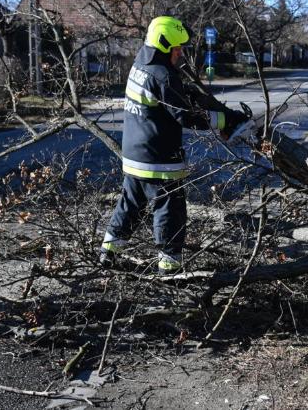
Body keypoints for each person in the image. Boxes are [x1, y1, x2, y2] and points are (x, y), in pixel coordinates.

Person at [100, 16, 250, 274]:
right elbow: (186, 116)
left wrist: (188, 91)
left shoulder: (140, 64)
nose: (180, 54)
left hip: (134, 155)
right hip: (158, 159)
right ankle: (170, 268)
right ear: (164, 45)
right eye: (177, 49)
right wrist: (227, 119)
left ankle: (108, 253)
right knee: (170, 211)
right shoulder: (163, 76)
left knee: (129, 204)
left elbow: (167, 97)